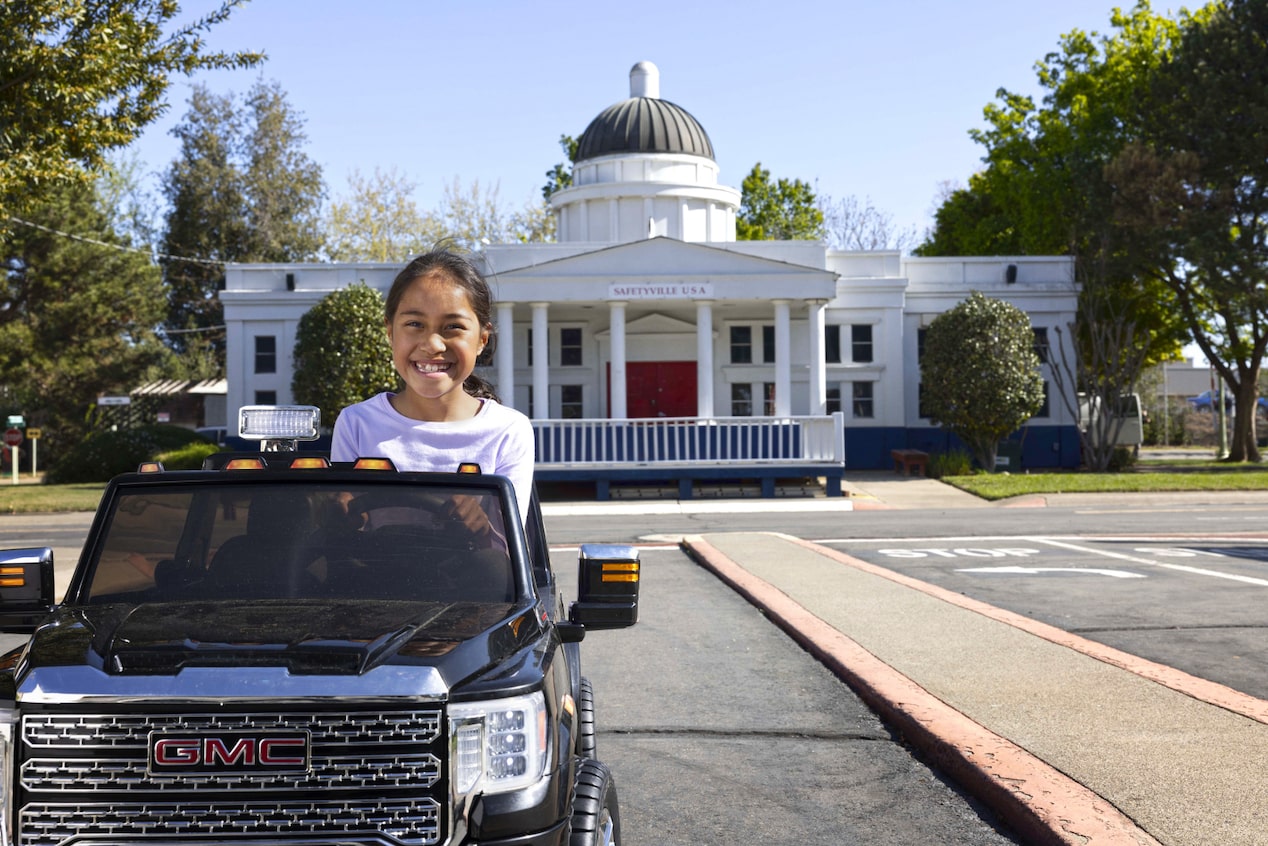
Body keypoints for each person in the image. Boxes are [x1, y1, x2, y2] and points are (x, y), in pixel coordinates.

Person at [331, 249, 535, 523]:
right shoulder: (356, 424)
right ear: (390, 332)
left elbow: (507, 554)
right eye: (414, 324)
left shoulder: (508, 432)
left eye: (453, 326)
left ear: (482, 340)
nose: (433, 345)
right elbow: (342, 542)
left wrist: (481, 527)